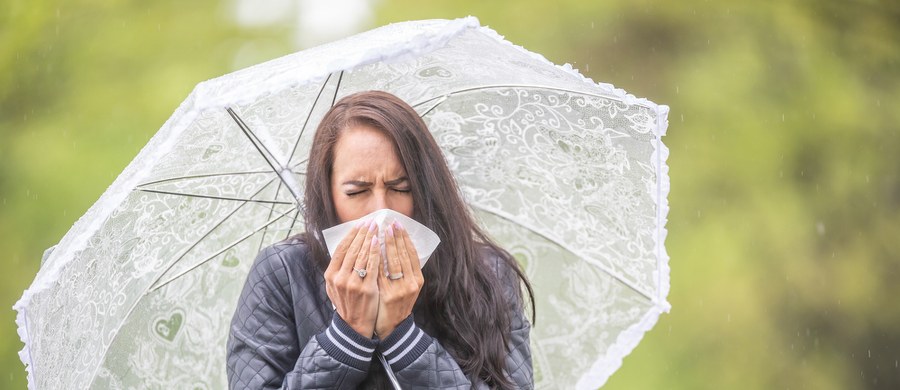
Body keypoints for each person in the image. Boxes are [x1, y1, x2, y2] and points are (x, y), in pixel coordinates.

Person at [226, 90, 534, 389]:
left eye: (400, 188)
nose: (381, 210)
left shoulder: (486, 272)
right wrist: (347, 336)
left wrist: (403, 338)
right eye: (357, 192)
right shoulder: (284, 273)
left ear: (425, 188)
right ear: (328, 195)